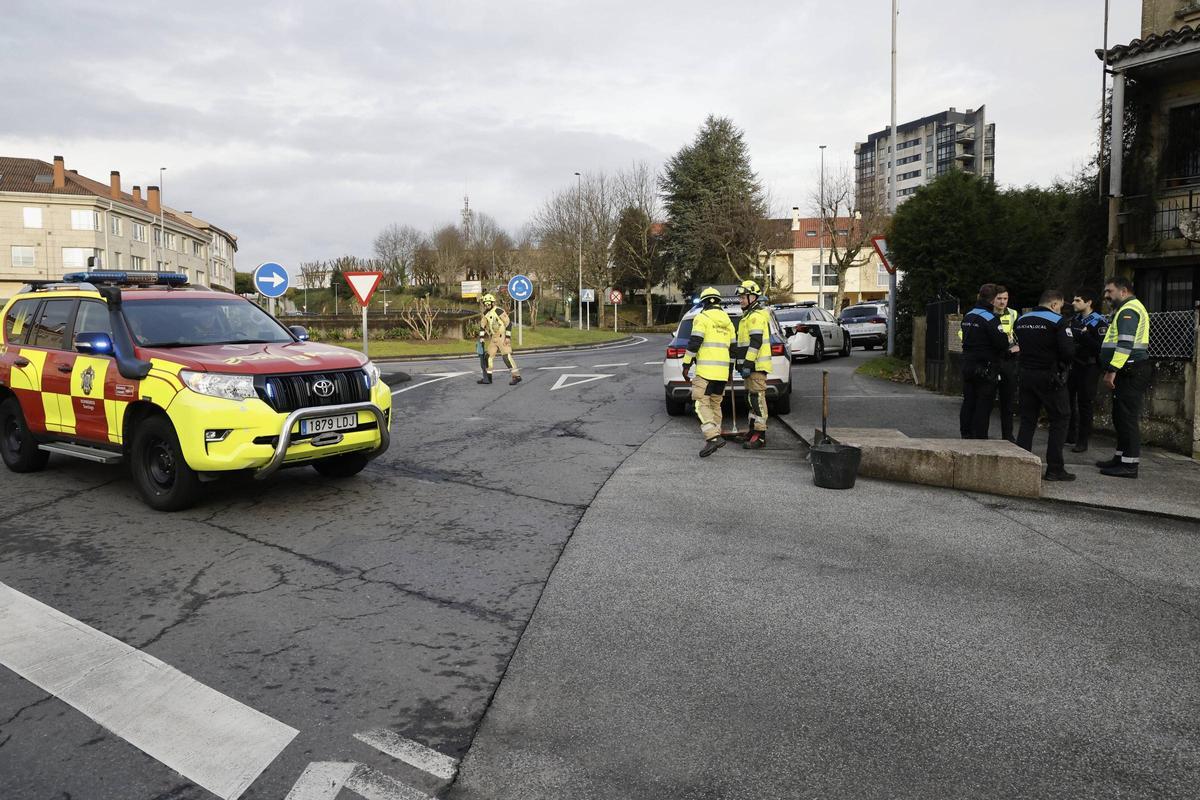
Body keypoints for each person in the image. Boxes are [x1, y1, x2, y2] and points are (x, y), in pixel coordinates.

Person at [1013, 289, 1076, 481]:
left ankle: (1022, 467)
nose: (1061, 310)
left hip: (1025, 375)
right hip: (1050, 377)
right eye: (1061, 306)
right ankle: (1055, 468)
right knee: (1060, 418)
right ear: (1055, 304)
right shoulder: (1058, 321)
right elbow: (1068, 352)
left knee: (1027, 421)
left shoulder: (1022, 320)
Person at [1096, 276, 1151, 478]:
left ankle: (1129, 465)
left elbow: (1125, 344)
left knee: (1127, 418)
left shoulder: (1129, 310)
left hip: (1130, 370)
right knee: (1120, 416)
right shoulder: (1127, 308)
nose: (1106, 295)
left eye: (1110, 291)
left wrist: (1112, 370)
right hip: (1128, 369)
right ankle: (1120, 458)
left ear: (1124, 291)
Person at [681, 287, 735, 458]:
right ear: (719, 302)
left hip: (705, 372)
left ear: (704, 303)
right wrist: (730, 371)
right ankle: (715, 435)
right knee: (715, 404)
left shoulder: (701, 318)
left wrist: (686, 364)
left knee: (700, 404)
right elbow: (733, 349)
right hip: (721, 373)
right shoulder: (728, 322)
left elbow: (694, 342)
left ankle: (712, 437)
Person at [959, 284, 1009, 439]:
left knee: (968, 401)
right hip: (985, 367)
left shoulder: (969, 315)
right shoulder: (990, 318)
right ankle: (980, 437)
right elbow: (1002, 343)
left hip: (968, 364)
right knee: (983, 403)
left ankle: (966, 433)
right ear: (993, 299)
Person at [1066, 288, 1108, 453]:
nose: (1074, 303)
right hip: (1073, 365)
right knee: (1068, 401)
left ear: (1089, 302)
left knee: (1085, 403)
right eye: (1074, 300)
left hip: (1089, 366)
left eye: (1078, 300)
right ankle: (1070, 435)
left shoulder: (1099, 322)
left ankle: (1082, 441)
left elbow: (1100, 347)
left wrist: (1085, 336)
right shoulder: (1073, 320)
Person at [733, 280, 773, 449]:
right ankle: (752, 431)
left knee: (757, 400)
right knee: (750, 400)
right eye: (740, 297)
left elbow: (755, 343)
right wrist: (739, 363)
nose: (741, 300)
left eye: (743, 297)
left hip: (756, 367)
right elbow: (743, 344)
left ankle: (760, 436)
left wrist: (747, 364)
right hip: (749, 367)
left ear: (753, 297)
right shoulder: (747, 316)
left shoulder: (755, 316)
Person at [991, 286, 1020, 442]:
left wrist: (1018, 346)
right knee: (987, 400)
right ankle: (980, 435)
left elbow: (1020, 333)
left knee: (1007, 402)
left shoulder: (1014, 313)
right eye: (999, 298)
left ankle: (1008, 436)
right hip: (992, 358)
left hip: (1009, 360)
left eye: (1005, 298)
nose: (1002, 302)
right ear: (993, 299)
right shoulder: (987, 314)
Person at [477, 293, 522, 386]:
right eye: (485, 304)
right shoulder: (486, 313)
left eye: (488, 304)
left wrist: (508, 337)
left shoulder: (499, 311)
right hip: (494, 338)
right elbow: (482, 326)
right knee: (488, 357)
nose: (487, 305)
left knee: (506, 357)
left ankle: (516, 376)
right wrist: (481, 338)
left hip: (502, 337)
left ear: (493, 303)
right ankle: (488, 378)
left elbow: (508, 323)